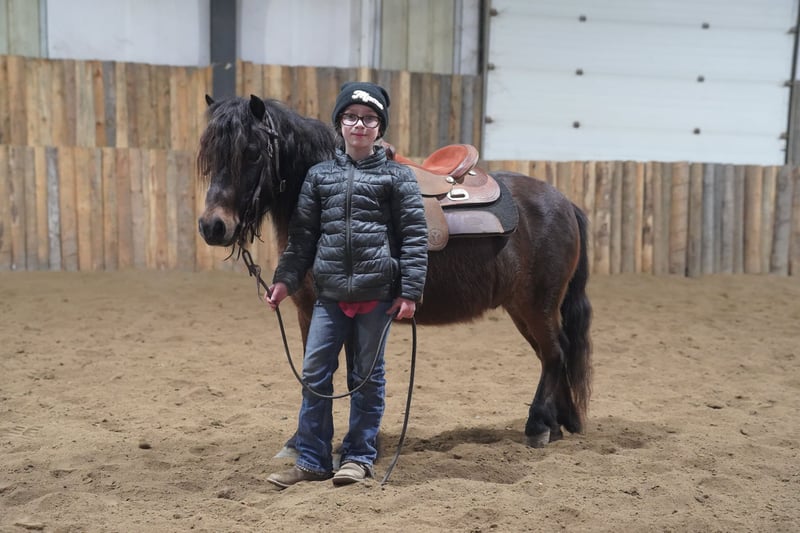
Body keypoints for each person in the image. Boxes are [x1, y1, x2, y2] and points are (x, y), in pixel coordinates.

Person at [264, 81, 428, 489]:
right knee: (314, 374)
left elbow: (414, 237)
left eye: (369, 119)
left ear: (379, 127)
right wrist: (285, 280)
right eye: (351, 117)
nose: (359, 125)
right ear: (340, 123)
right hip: (330, 296)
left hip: (376, 296)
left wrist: (409, 291)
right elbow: (302, 238)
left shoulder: (398, 178)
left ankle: (358, 457)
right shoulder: (319, 176)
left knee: (367, 378)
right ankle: (312, 460)